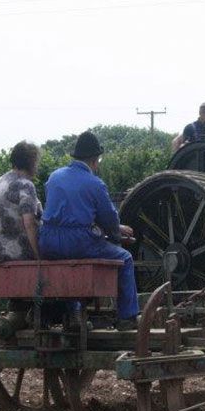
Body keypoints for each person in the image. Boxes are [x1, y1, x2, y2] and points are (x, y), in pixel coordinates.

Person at [38, 131, 140, 330]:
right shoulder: (95, 184)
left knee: (67, 263)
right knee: (125, 258)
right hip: (78, 241)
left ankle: (73, 311)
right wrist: (117, 233)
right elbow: (109, 218)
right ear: (95, 160)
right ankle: (127, 317)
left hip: (48, 240)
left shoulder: (54, 177)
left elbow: (63, 209)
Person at [0, 141, 42, 331]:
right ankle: (48, 312)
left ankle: (21, 312)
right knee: (54, 258)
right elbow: (29, 223)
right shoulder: (25, 185)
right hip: (13, 252)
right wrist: (39, 255)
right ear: (32, 162)